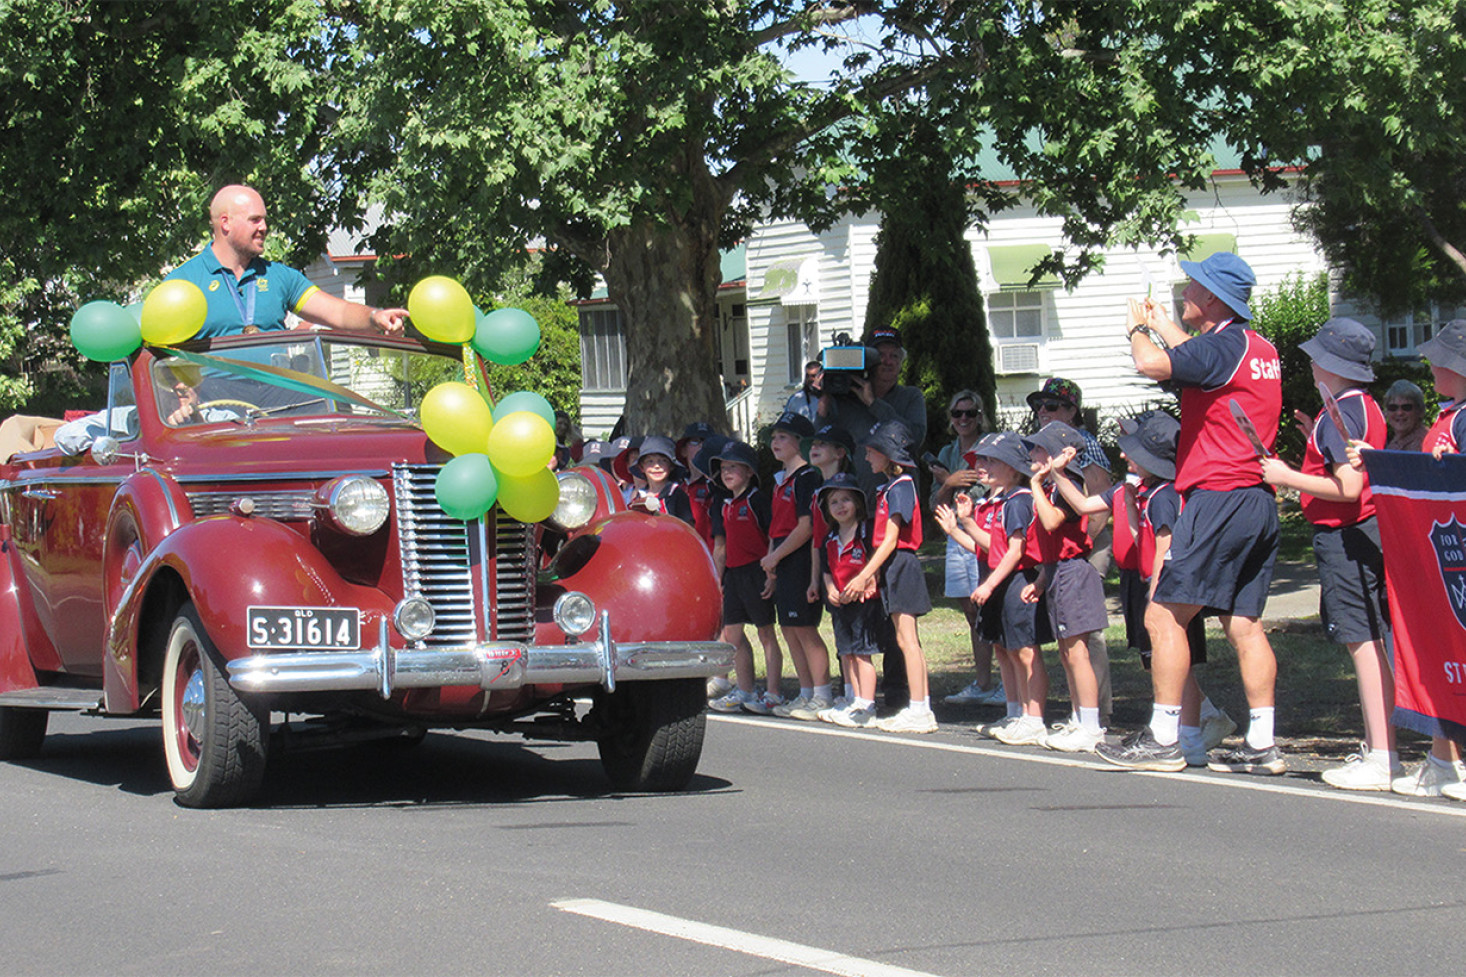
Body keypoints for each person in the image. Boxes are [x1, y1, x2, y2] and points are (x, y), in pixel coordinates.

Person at [1099, 250, 1285, 775]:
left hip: (1217, 496)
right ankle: (1263, 743)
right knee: (1244, 625)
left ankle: (1163, 736)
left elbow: (1151, 364)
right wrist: (1166, 326)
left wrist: (1138, 330)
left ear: (1212, 298)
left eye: (1192, 287)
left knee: (1162, 615)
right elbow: (1204, 363)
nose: (1183, 294)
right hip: (1256, 500)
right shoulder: (1256, 347)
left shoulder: (1221, 345)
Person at [1050, 411, 1235, 765]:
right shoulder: (1135, 489)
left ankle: (1188, 738)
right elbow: (1089, 505)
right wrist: (1058, 474)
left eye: (1132, 451)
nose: (1124, 455)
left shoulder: (1166, 493)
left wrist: (1155, 588)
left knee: (1181, 663)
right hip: (1143, 577)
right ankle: (1188, 739)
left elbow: (1165, 543)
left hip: (1164, 583)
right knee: (1161, 662)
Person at [1260, 318, 1396, 790]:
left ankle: (1381, 753)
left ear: (1334, 366)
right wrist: (1312, 443)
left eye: (1319, 357)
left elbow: (1349, 486)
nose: (1313, 364)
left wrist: (1284, 475)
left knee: (1363, 643)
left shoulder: (1342, 412)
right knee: (1376, 641)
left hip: (1348, 535)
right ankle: (1385, 749)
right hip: (1369, 532)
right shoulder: (1361, 408)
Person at [165, 185, 407, 338]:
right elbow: (160, 352)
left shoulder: (279, 276)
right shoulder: (184, 282)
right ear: (225, 223)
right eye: (255, 220)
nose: (264, 228)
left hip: (278, 405)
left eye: (264, 220)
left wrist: (375, 317)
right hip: (216, 410)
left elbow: (338, 312)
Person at [1026, 376, 1113, 724]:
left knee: (1086, 633)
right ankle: (1081, 710)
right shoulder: (1047, 451)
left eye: (1052, 406)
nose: (1043, 412)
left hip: (1084, 543)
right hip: (1062, 548)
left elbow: (1101, 499)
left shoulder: (1082, 446)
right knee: (1068, 637)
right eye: (1039, 407)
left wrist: (1080, 545)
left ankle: (1098, 713)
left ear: (1072, 411)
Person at [845, 420, 936, 733]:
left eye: (874, 450)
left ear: (889, 454)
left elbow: (891, 539)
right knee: (903, 638)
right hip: (892, 566)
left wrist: (864, 574)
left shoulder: (902, 486)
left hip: (902, 564)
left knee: (908, 639)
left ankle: (920, 708)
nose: (868, 455)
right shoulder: (888, 487)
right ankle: (920, 706)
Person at [931, 391, 1003, 707]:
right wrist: (949, 481)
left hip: (985, 530)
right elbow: (936, 503)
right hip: (954, 531)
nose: (963, 420)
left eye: (969, 413)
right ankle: (983, 681)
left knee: (993, 606)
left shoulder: (991, 447)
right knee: (970, 610)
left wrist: (955, 480)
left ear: (980, 416)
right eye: (957, 414)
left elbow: (987, 489)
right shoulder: (947, 453)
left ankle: (1007, 681)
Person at [760, 412, 833, 721]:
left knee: (805, 628)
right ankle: (805, 693)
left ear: (799, 443)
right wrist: (771, 563)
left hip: (800, 559)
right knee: (789, 628)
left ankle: (822, 694)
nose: (776, 443)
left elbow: (805, 527)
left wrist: (776, 557)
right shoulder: (780, 481)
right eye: (774, 437)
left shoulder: (807, 478)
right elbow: (776, 528)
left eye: (783, 437)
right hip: (781, 559)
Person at [705, 441, 786, 716]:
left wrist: (771, 573)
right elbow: (722, 547)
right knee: (733, 636)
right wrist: (720, 579)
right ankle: (745, 689)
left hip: (756, 571)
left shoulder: (757, 499)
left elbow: (773, 535)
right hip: (735, 575)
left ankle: (774, 692)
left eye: (734, 467)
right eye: (724, 468)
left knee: (766, 633)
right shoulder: (726, 504)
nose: (727, 472)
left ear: (750, 471)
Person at [816, 327, 928, 498]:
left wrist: (874, 404)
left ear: (901, 362)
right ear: (869, 361)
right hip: (856, 504)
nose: (888, 361)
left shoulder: (911, 396)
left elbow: (914, 439)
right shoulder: (847, 399)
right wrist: (823, 401)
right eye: (881, 355)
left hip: (898, 503)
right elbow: (821, 441)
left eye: (894, 356)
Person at [813, 473, 884, 728]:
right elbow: (826, 570)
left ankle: (867, 704)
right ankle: (854, 699)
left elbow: (876, 557)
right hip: (841, 602)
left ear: (857, 503)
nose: (840, 506)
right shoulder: (829, 538)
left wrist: (869, 579)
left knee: (863, 653)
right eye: (834, 502)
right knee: (847, 652)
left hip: (864, 602)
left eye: (846, 500)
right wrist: (829, 588)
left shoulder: (866, 530)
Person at [630, 436, 694, 525]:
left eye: (663, 461)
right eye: (650, 461)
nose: (657, 466)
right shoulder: (639, 496)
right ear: (641, 467)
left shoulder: (677, 494)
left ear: (671, 466)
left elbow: (688, 528)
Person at [1382, 379, 1427, 453]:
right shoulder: (1398, 440)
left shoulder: (1421, 442)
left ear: (1420, 411)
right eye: (1393, 407)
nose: (1399, 413)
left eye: (1406, 407)